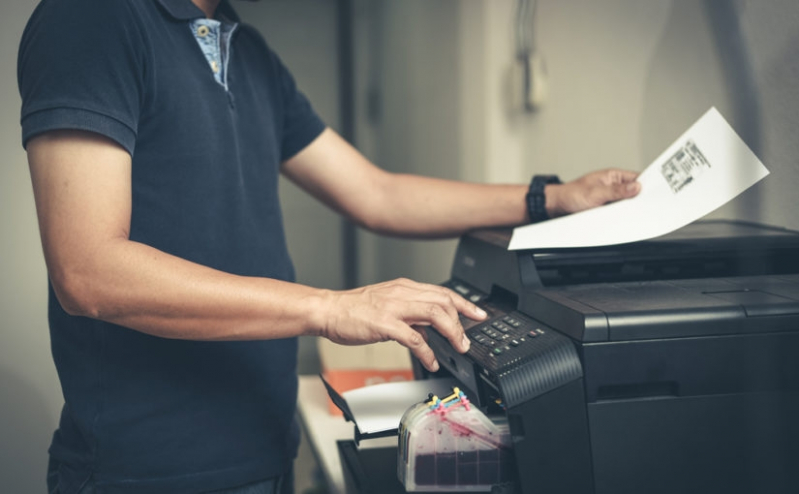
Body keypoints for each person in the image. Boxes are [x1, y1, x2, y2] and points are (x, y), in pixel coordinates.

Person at [18, 0, 641, 492]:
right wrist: (331, 307)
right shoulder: (91, 17)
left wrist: (550, 198)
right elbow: (88, 270)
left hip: (265, 450)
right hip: (147, 473)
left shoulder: (248, 50)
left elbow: (378, 193)